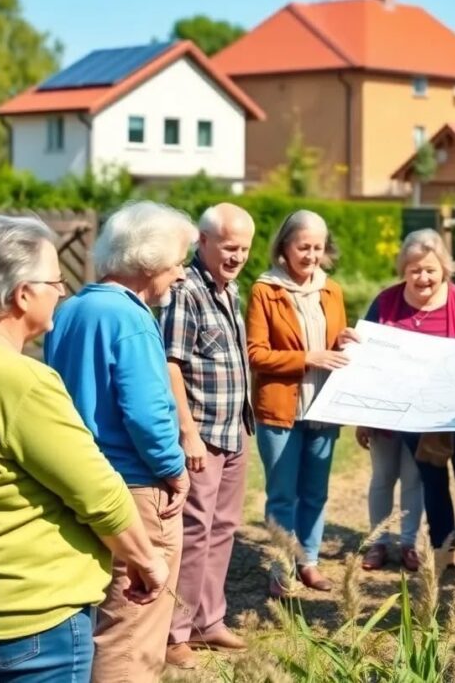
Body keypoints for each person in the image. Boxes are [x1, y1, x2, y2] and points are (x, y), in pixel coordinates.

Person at [0, 215, 168, 682]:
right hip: (31, 621)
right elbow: (98, 493)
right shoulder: (22, 382)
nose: (63, 291)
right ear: (21, 295)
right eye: (56, 280)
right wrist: (147, 560)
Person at [45, 201, 197, 682]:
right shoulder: (130, 318)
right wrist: (175, 470)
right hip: (134, 487)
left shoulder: (71, 309)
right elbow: (148, 413)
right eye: (178, 261)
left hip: (80, 481)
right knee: (132, 627)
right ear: (149, 262)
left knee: (96, 618)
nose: (180, 274)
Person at [357, 228, 455, 580]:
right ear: (404, 269)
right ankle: (443, 549)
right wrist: (364, 414)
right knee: (432, 481)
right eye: (415, 269)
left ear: (444, 269)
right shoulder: (386, 303)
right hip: (413, 416)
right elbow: (367, 357)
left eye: (431, 270)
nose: (423, 277)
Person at [160, 203, 256, 669]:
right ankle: (174, 633)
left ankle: (207, 621)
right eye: (230, 247)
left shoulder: (229, 289)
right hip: (202, 433)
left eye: (244, 249)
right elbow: (171, 363)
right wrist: (188, 433)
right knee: (194, 530)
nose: (237, 257)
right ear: (204, 242)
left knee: (222, 528)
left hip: (235, 428)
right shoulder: (187, 291)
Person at [247, 210, 358, 597]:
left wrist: (342, 342)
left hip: (323, 408)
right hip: (280, 410)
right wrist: (308, 358)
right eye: (303, 247)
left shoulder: (332, 290)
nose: (311, 255)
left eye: (317, 247)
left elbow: (332, 348)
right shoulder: (266, 290)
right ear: (284, 247)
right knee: (282, 494)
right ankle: (281, 567)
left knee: (315, 492)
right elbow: (256, 354)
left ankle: (307, 560)